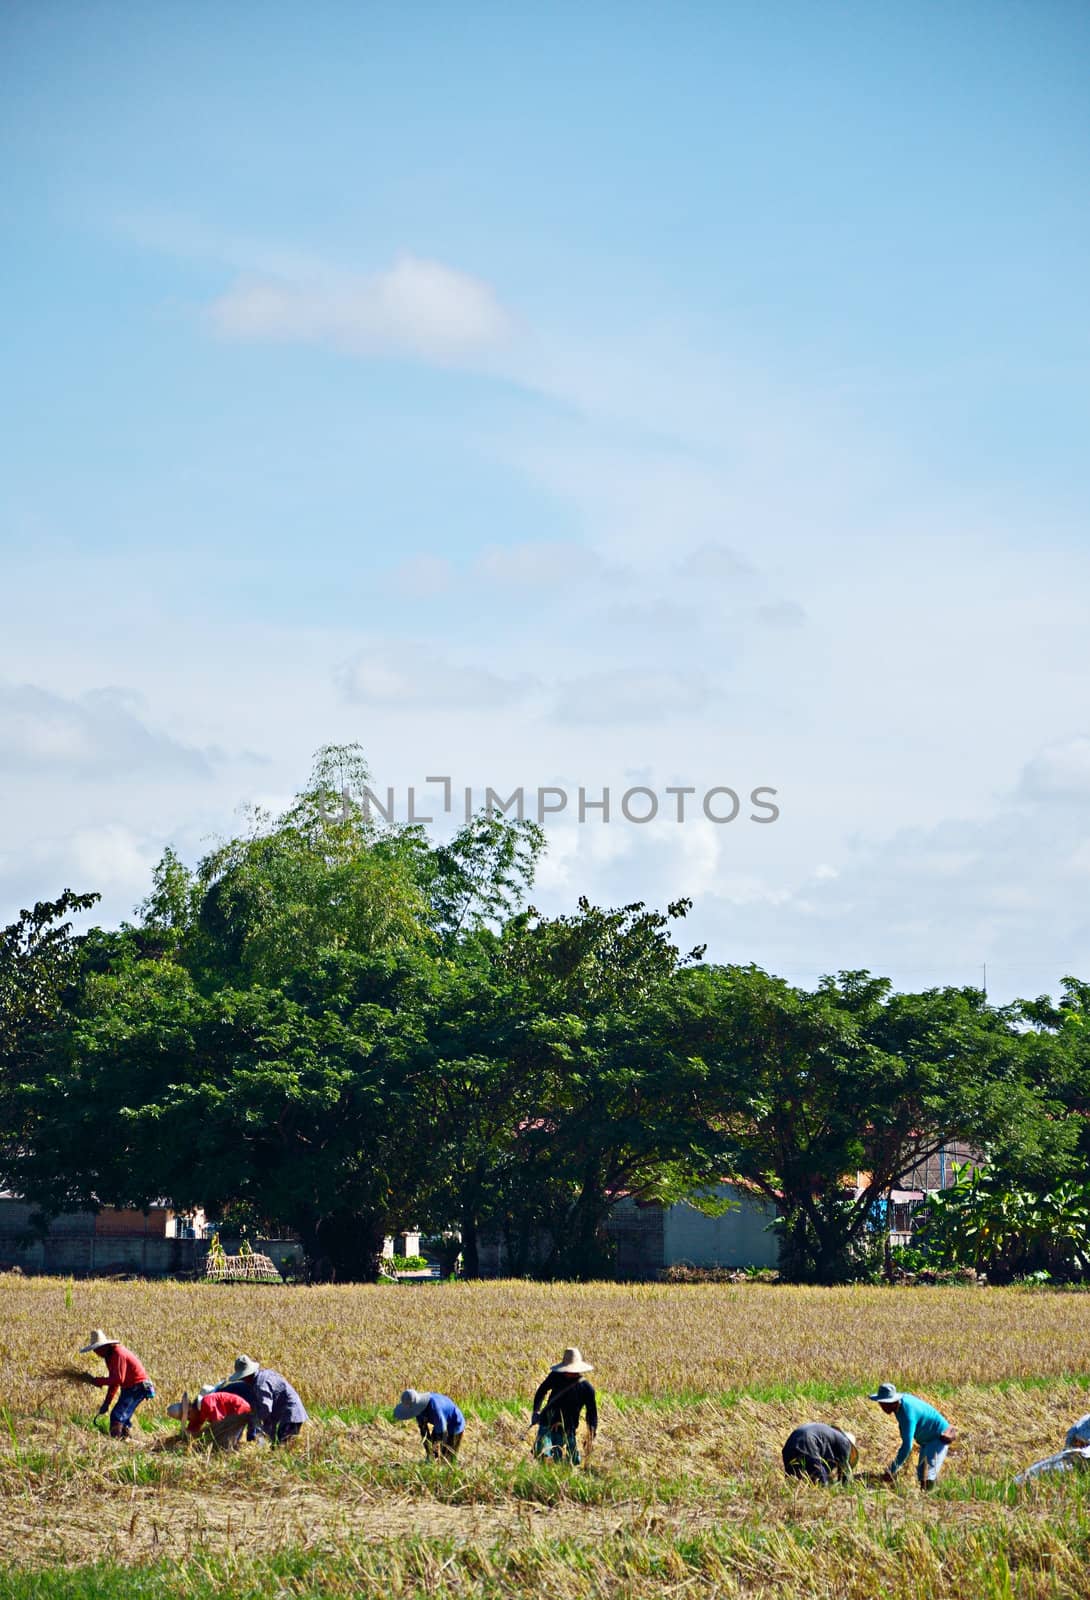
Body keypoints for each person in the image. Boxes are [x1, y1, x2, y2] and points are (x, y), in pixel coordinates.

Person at [868, 1381, 955, 1490]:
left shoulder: (907, 1414)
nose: (882, 1406)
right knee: (921, 1473)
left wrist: (892, 1469)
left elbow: (907, 1447)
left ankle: (930, 1500)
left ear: (893, 1402)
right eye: (880, 1403)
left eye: (884, 1403)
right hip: (926, 1440)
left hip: (939, 1437)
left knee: (927, 1476)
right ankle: (926, 1496)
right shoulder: (900, 1404)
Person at [79, 1328, 155, 1440]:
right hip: (130, 1387)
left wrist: (97, 1381)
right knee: (122, 1417)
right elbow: (114, 1383)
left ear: (103, 1346)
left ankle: (116, 1442)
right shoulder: (109, 1356)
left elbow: (118, 1379)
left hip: (138, 1387)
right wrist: (107, 1403)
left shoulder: (118, 1354)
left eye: (96, 1349)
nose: (95, 1353)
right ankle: (126, 1441)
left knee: (117, 1416)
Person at [216, 1355, 308, 1445]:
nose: (243, 1380)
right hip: (286, 1413)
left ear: (248, 1375)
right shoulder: (263, 1375)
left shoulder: (261, 1385)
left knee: (282, 1446)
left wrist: (253, 1419)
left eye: (243, 1378)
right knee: (276, 1446)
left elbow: (266, 1409)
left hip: (291, 1414)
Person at [531, 1347, 597, 1465]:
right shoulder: (555, 1377)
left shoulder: (587, 1388)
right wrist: (536, 1411)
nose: (569, 1372)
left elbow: (591, 1414)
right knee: (544, 1457)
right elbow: (541, 1391)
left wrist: (591, 1435)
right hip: (548, 1424)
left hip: (568, 1429)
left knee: (573, 1461)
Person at [168, 1386, 253, 1451]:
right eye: (187, 1418)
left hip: (240, 1411)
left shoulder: (207, 1402)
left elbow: (218, 1424)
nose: (189, 1419)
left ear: (190, 1408)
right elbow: (192, 1429)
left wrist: (203, 1435)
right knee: (217, 1443)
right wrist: (185, 1436)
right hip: (232, 1416)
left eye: (188, 1415)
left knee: (221, 1444)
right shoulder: (197, 1414)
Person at [393, 1388, 465, 1458]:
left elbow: (441, 1432)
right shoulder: (417, 1411)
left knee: (448, 1455)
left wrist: (435, 1451)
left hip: (455, 1422)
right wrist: (429, 1452)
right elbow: (424, 1432)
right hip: (440, 1423)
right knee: (434, 1454)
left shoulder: (434, 1406)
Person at [782, 1422, 858, 1484]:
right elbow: (845, 1472)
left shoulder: (829, 1436)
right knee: (821, 1482)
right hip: (808, 1442)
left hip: (789, 1445)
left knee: (792, 1482)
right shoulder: (845, 1442)